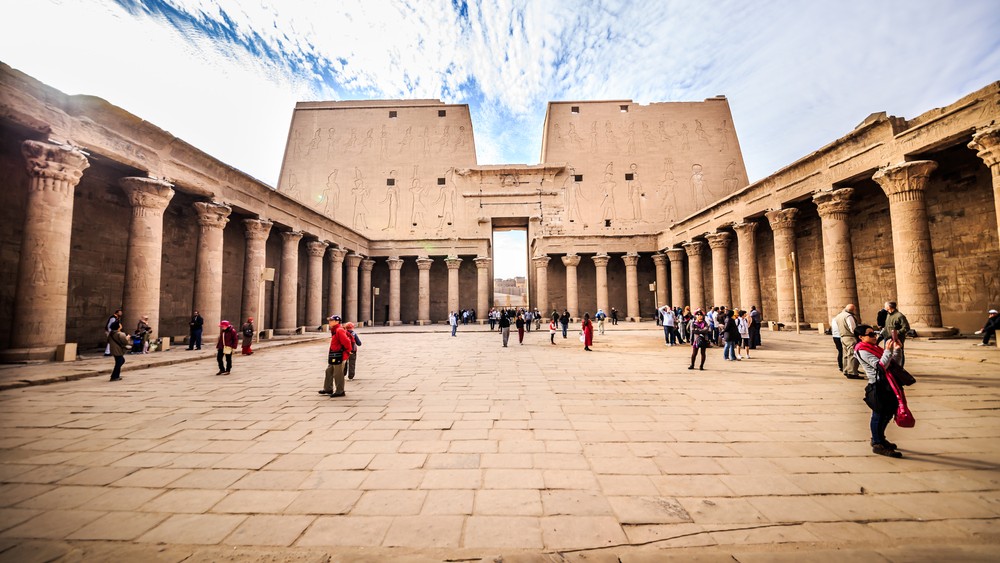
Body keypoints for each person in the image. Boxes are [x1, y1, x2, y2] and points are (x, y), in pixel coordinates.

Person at [853, 324, 904, 458]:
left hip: (888, 384)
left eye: (874, 333)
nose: (875, 336)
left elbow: (893, 364)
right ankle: (877, 443)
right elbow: (881, 366)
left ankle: (880, 437)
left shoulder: (874, 348)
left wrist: (897, 351)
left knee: (887, 413)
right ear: (861, 337)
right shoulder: (862, 350)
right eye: (870, 335)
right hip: (877, 385)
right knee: (879, 414)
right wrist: (887, 351)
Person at [320, 315, 354, 397]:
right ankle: (328, 389)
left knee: (338, 373)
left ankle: (340, 391)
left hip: (340, 355)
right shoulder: (335, 330)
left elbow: (346, 341)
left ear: (337, 321)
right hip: (334, 354)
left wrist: (349, 350)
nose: (329, 322)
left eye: (331, 320)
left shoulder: (339, 330)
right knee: (329, 371)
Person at [833, 304, 862, 379]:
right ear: (852, 309)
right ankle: (852, 372)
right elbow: (852, 328)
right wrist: (858, 335)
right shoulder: (848, 316)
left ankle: (846, 370)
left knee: (845, 354)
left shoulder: (839, 316)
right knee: (852, 354)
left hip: (842, 337)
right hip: (850, 337)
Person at [880, 301, 911, 367]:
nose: (884, 307)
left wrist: (897, 332)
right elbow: (887, 326)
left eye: (885, 306)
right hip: (888, 337)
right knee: (888, 352)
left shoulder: (899, 315)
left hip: (897, 338)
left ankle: (900, 367)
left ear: (889, 307)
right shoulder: (888, 315)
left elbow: (906, 327)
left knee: (898, 351)